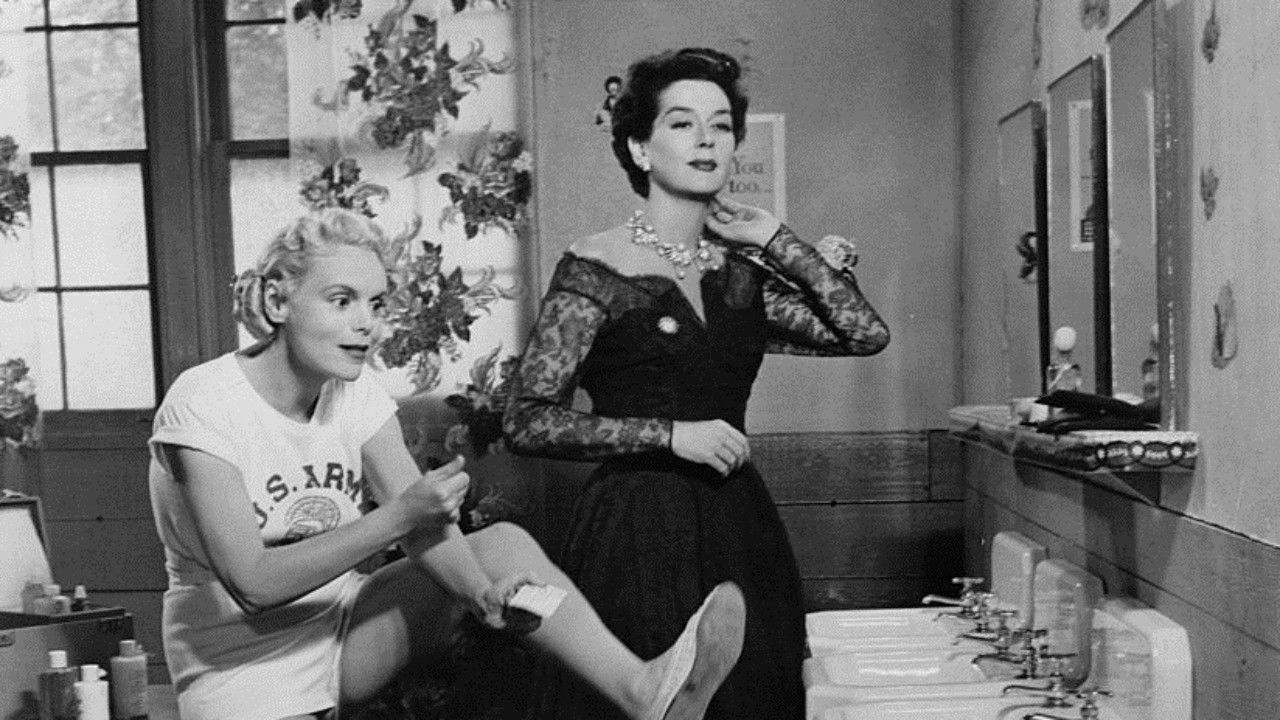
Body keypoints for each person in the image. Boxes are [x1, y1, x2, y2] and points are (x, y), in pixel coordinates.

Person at [146, 208, 746, 720]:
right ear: (279, 300)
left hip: (341, 632)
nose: (366, 323)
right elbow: (253, 584)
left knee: (501, 545)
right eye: (342, 301)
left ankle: (644, 692)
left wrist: (484, 595)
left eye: (376, 303)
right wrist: (398, 517)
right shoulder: (205, 403)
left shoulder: (354, 392)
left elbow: (424, 526)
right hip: (237, 670)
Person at [504, 47, 890, 719]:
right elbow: (528, 418)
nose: (707, 139)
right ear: (640, 147)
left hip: (741, 527)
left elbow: (862, 332)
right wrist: (670, 435)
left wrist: (777, 238)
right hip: (634, 532)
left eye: (721, 126)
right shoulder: (594, 268)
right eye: (682, 123)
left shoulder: (740, 276)